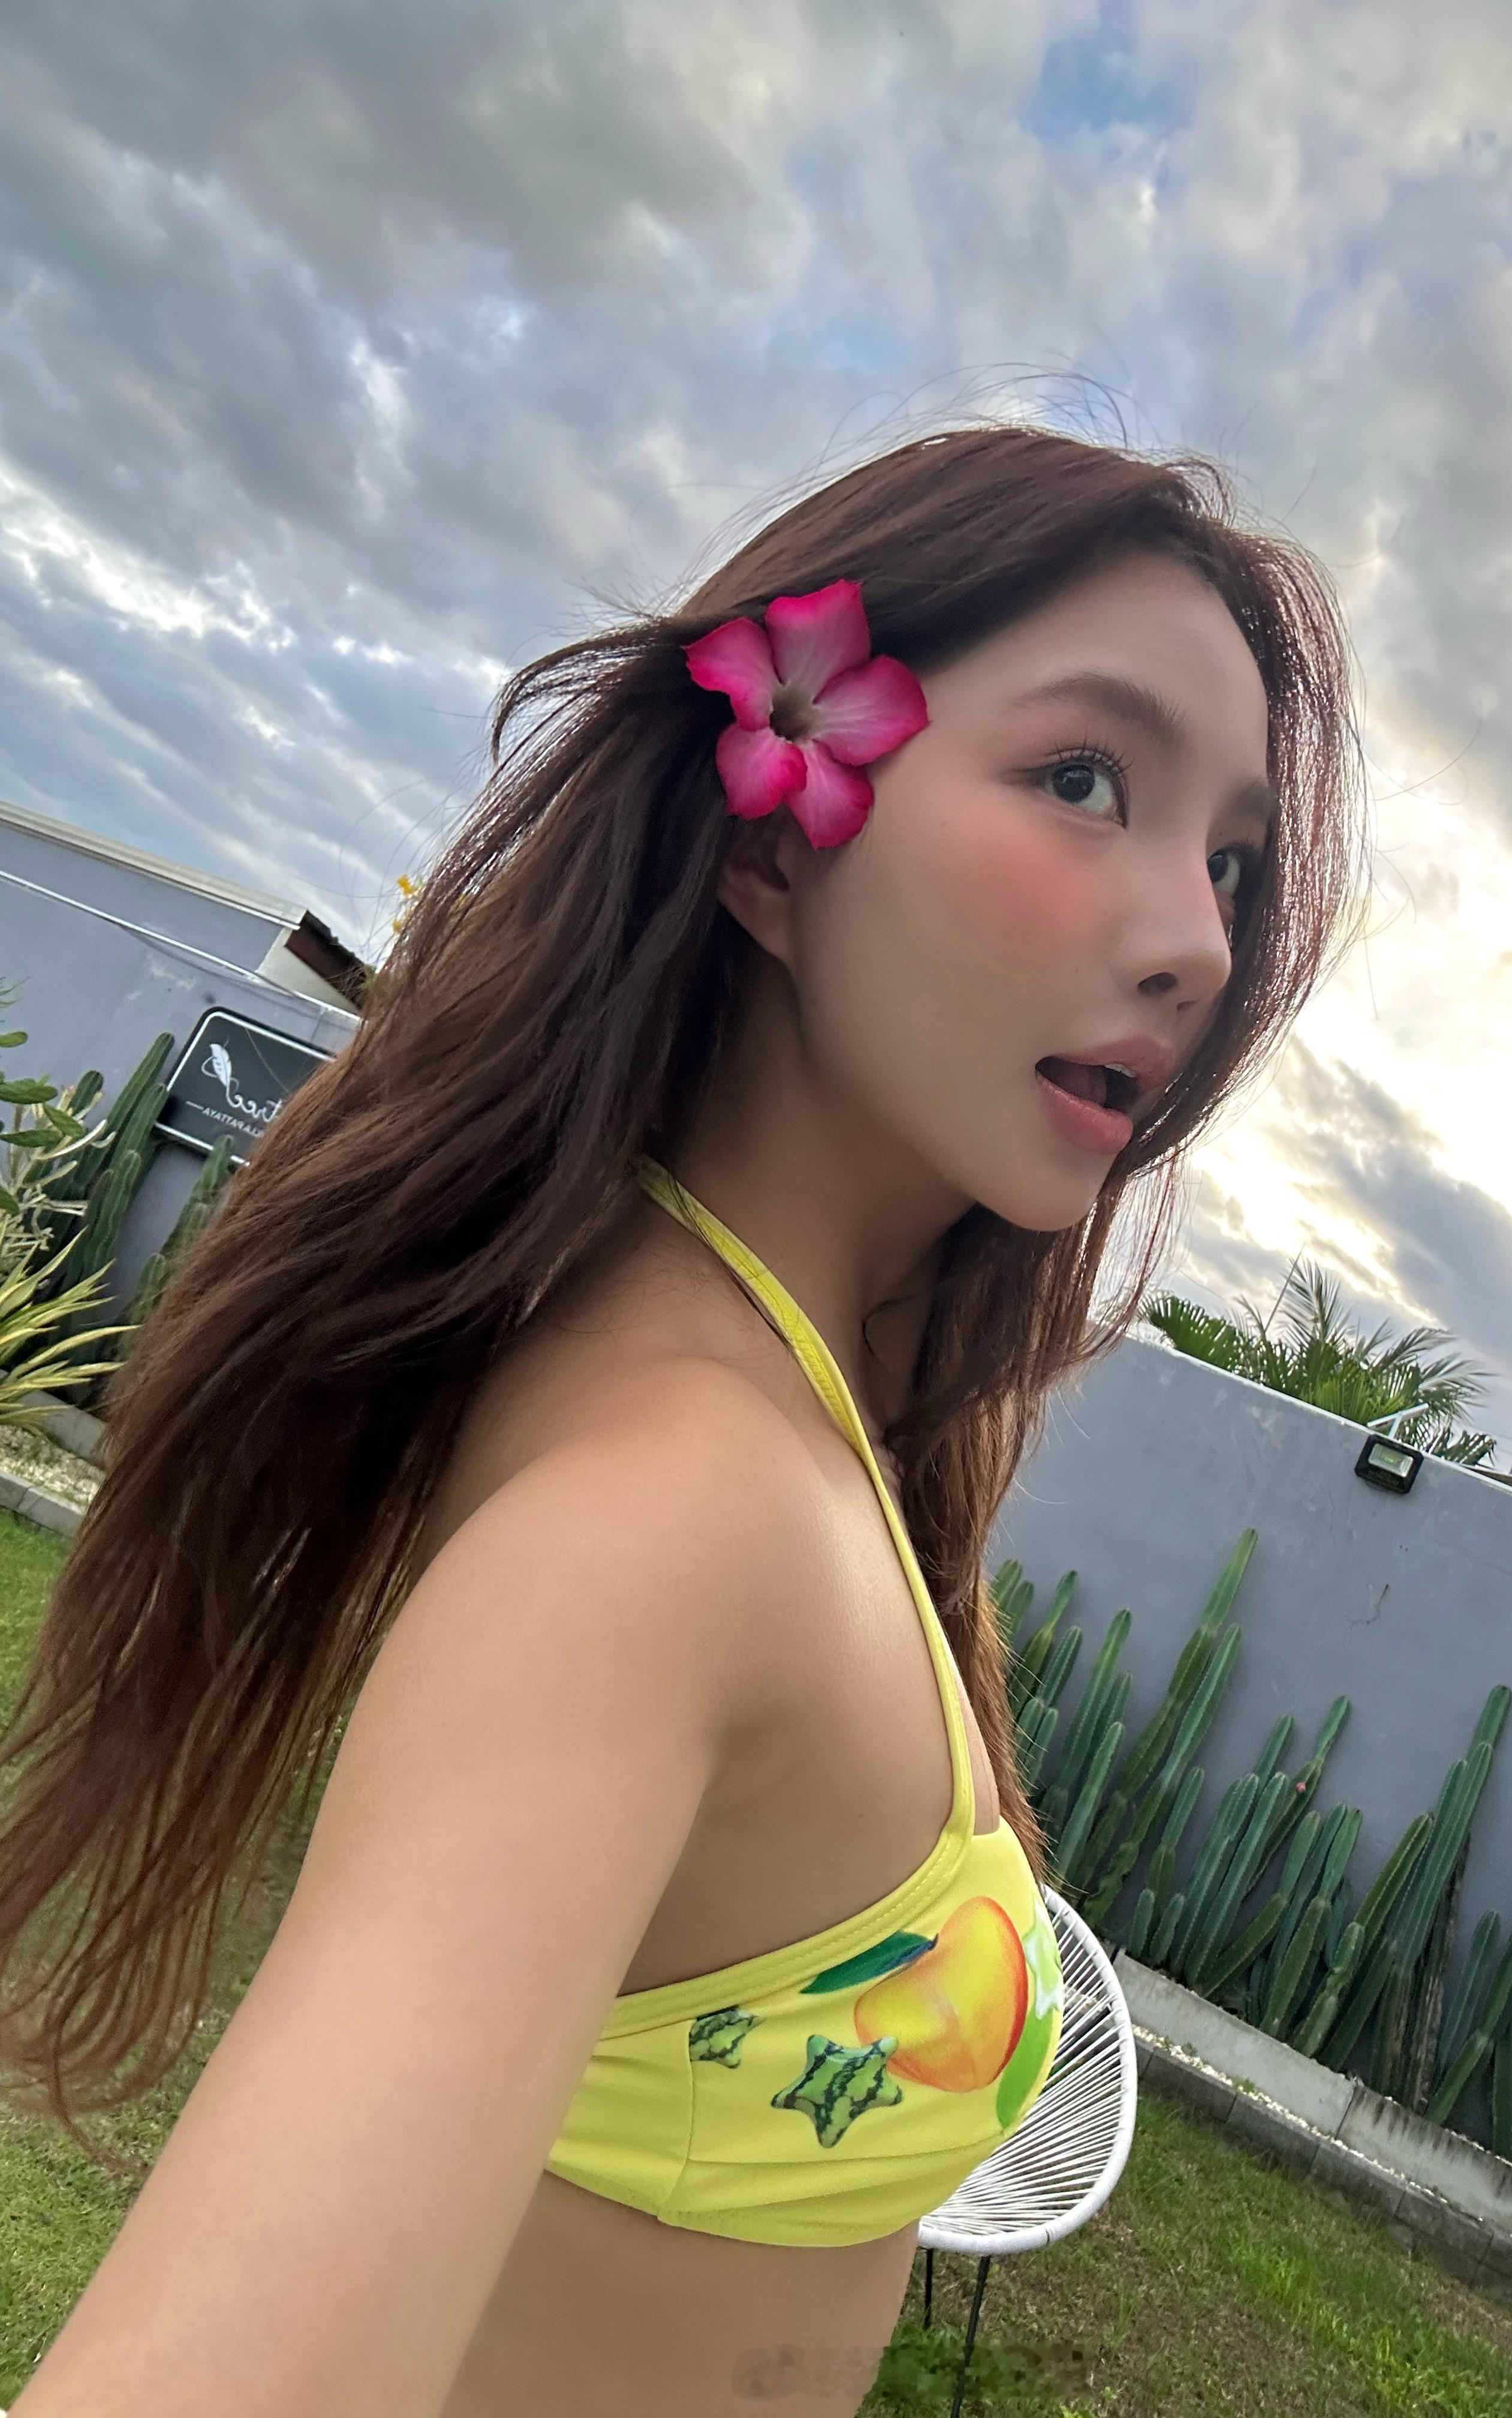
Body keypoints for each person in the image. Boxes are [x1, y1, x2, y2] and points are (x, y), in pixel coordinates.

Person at [0, 425, 1364, 2417]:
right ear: (771, 845)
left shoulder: (770, 1397)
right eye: (1086, 780)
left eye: (1230, 860)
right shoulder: (679, 1518)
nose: (1201, 943)